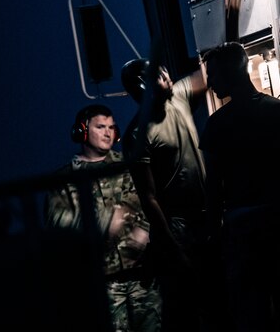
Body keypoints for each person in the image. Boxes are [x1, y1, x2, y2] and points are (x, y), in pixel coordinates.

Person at [199, 42, 280, 332]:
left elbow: (213, 187)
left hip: (242, 230)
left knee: (253, 314)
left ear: (230, 72)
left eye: (213, 74)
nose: (210, 83)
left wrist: (214, 235)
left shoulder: (216, 126)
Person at [45, 103, 162, 332]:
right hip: (102, 282)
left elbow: (148, 201)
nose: (108, 132)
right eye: (100, 127)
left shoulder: (127, 166)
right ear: (82, 131)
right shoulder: (64, 179)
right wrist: (104, 221)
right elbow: (56, 223)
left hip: (142, 276)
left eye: (111, 127)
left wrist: (146, 230)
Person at [120, 58, 212, 331]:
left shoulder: (179, 95)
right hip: (180, 227)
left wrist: (226, 33)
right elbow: (148, 197)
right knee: (191, 306)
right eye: (157, 74)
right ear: (142, 86)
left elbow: (206, 75)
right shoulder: (138, 135)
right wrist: (173, 247)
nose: (166, 75)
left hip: (208, 215)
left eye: (163, 70)